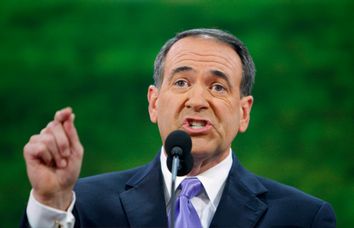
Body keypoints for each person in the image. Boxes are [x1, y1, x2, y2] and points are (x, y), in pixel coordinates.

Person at [21, 28, 336, 228]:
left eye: (217, 87)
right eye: (182, 82)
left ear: (244, 112)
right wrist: (50, 203)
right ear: (154, 103)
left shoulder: (303, 218)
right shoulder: (81, 206)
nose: (197, 100)